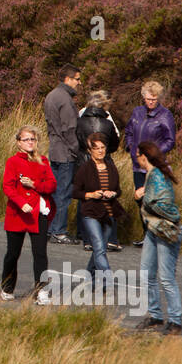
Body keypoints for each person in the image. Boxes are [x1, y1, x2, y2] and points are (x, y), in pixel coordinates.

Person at [0, 125, 57, 303]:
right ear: (18, 143)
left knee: (40, 253)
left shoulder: (43, 162)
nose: (30, 142)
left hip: (38, 213)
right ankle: (7, 287)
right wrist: (22, 203)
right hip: (18, 214)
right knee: (12, 253)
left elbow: (52, 185)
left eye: (33, 139)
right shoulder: (13, 162)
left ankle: (41, 291)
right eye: (26, 139)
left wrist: (34, 185)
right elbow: (8, 187)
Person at [134, 141, 182, 334]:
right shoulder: (151, 174)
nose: (136, 158)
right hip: (153, 230)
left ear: (144, 156)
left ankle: (175, 320)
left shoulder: (158, 177)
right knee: (146, 273)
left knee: (166, 277)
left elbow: (166, 206)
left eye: (138, 155)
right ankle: (155, 315)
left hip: (165, 231)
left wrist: (144, 198)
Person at [125, 81, 177, 246]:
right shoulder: (137, 112)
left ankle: (154, 235)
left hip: (154, 165)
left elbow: (170, 140)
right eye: (148, 99)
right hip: (137, 164)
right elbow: (129, 132)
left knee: (152, 199)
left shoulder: (165, 115)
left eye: (154, 99)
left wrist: (154, 154)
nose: (151, 102)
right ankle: (147, 234)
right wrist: (130, 147)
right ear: (143, 97)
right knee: (139, 199)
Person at [71, 132, 125, 287]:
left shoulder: (111, 167)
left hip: (109, 213)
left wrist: (113, 193)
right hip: (91, 213)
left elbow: (118, 190)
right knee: (100, 248)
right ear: (90, 151)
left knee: (99, 250)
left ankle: (89, 279)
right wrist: (91, 194)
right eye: (97, 148)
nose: (100, 151)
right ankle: (108, 280)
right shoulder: (85, 168)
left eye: (103, 147)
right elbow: (75, 192)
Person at [77, 90, 122, 250]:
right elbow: (115, 144)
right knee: (108, 196)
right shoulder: (108, 124)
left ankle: (86, 237)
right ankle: (110, 237)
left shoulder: (79, 121)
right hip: (104, 161)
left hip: (83, 160)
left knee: (85, 198)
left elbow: (75, 140)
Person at [43, 64, 82, 245]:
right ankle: (59, 231)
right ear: (68, 79)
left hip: (54, 149)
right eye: (77, 79)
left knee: (55, 191)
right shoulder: (65, 99)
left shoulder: (51, 95)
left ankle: (51, 228)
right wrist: (76, 149)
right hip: (65, 152)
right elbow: (69, 129)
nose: (79, 83)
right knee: (63, 193)